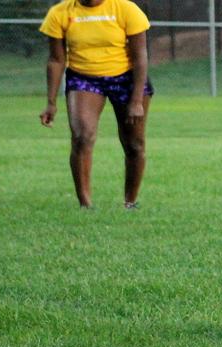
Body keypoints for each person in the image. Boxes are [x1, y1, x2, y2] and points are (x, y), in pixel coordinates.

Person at [38, 0, 152, 210]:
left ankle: (130, 202)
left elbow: (140, 57)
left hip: (126, 78)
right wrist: (51, 103)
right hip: (84, 78)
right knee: (82, 137)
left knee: (134, 144)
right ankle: (85, 205)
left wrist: (136, 100)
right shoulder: (60, 13)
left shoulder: (126, 9)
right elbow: (56, 60)